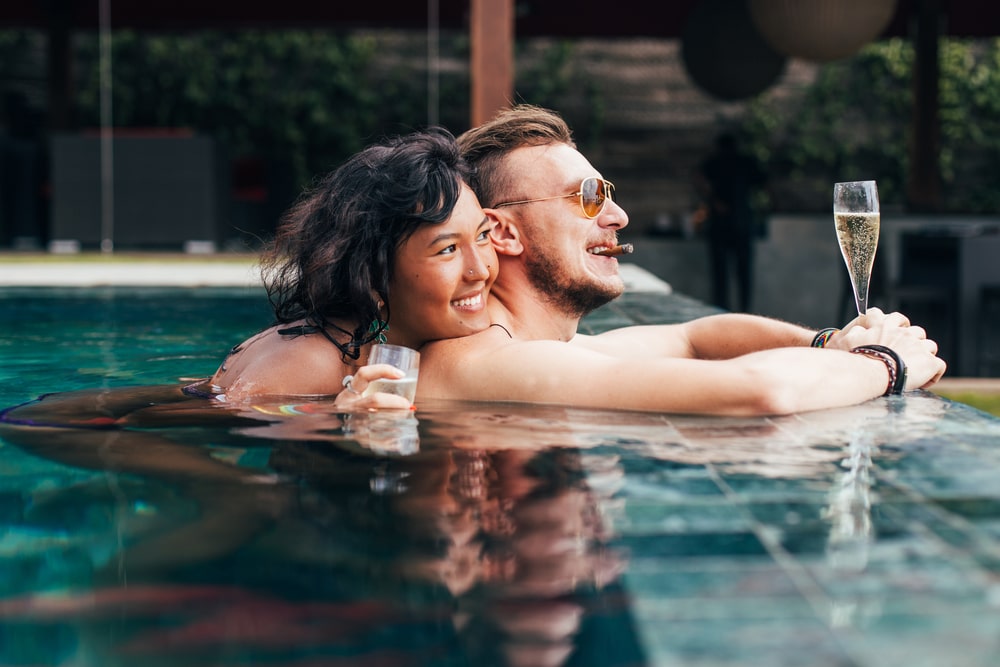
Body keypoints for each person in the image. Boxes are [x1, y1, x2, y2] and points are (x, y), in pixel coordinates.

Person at [415, 104, 946, 416]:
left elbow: (695, 337)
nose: (618, 215)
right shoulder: (496, 362)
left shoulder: (545, 346)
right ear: (503, 232)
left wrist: (830, 342)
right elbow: (762, 392)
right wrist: (887, 363)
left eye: (608, 193)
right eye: (588, 198)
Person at [190, 126, 498, 408]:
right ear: (375, 275)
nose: (480, 271)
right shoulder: (308, 367)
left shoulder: (358, 338)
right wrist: (341, 429)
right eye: (448, 249)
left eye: (483, 235)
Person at [696, 131, 767, 312]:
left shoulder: (715, 163)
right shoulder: (745, 162)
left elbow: (701, 183)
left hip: (724, 224)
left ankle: (722, 310)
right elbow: (764, 185)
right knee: (742, 273)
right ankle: (744, 311)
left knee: (722, 274)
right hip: (741, 223)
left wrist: (714, 201)